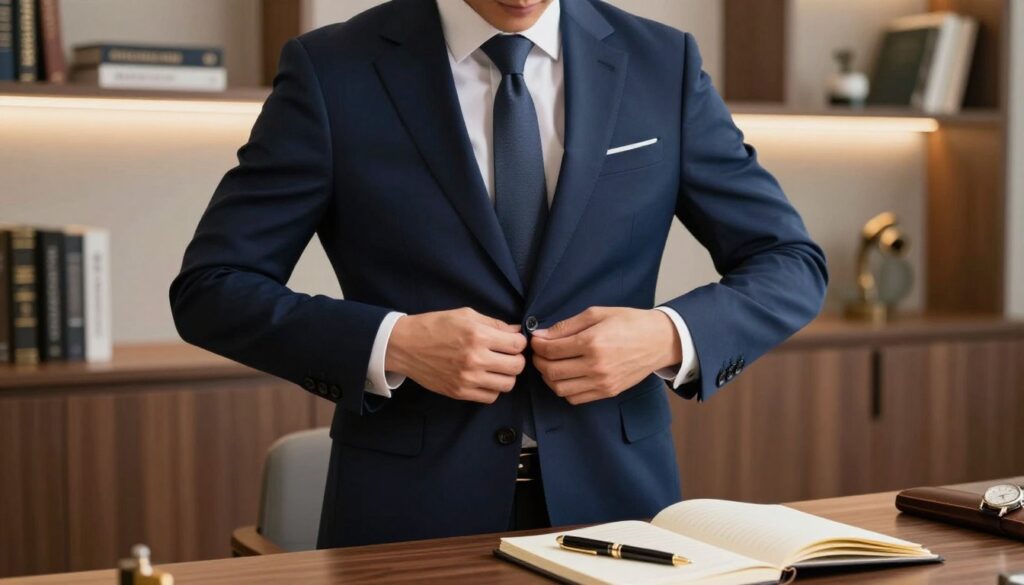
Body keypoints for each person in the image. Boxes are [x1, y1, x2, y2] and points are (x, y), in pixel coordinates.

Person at [169, 0, 827, 548]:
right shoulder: (331, 71)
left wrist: (667, 335)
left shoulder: (664, 63)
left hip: (623, 508)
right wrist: (391, 344)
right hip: (405, 519)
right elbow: (212, 286)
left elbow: (790, 262)